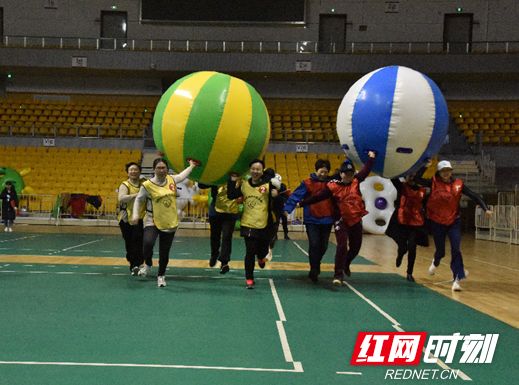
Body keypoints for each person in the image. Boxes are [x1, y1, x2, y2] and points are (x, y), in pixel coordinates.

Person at [299, 152, 376, 287]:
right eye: (345, 173)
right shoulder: (333, 187)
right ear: (340, 174)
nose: (348, 176)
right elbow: (319, 196)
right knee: (341, 246)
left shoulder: (356, 182)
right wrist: (303, 202)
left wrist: (372, 158)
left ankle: (346, 263)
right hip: (341, 220)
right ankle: (338, 275)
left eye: (351, 173)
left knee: (356, 248)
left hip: (356, 219)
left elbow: (366, 170)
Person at [414, 160, 493, 291]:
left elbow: (474, 196)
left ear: (451, 171)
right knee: (441, 251)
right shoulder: (433, 182)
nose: (446, 173)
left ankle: (457, 279)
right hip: (437, 222)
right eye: (443, 171)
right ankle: (436, 261)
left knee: (456, 250)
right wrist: (425, 166)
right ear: (439, 173)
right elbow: (417, 179)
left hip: (454, 222)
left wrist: (486, 208)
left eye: (448, 170)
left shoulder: (458, 184)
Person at [131, 158, 197, 287]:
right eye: (159, 168)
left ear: (167, 169)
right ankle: (148, 265)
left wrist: (191, 166)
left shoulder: (172, 179)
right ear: (154, 170)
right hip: (152, 219)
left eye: (163, 168)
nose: (161, 170)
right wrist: (135, 215)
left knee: (164, 251)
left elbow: (182, 176)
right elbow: (138, 200)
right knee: (148, 243)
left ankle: (161, 276)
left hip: (169, 221)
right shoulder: (147, 185)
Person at [227, 159, 279, 289]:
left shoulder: (268, 185)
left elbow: (280, 196)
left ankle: (261, 257)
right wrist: (232, 181)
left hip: (264, 224)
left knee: (261, 250)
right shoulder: (244, 184)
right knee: (250, 252)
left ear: (262, 171)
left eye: (258, 169)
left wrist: (276, 195)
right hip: (248, 223)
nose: (255, 171)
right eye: (253, 169)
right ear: (250, 170)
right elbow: (231, 195)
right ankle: (249, 278)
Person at [283, 159, 334, 282]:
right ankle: (314, 268)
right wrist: (287, 209)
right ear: (316, 171)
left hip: (327, 220)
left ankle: (316, 263)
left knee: (324, 246)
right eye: (321, 172)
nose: (323, 174)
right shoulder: (307, 183)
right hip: (312, 220)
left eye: (326, 172)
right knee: (314, 244)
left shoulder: (332, 184)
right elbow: (296, 196)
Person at [385, 173, 429, 283]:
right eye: (409, 176)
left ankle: (409, 272)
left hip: (415, 222)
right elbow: (392, 176)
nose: (412, 177)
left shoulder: (422, 191)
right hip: (401, 220)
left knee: (412, 246)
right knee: (403, 246)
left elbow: (425, 205)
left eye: (414, 176)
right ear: (406, 177)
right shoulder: (402, 187)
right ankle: (400, 253)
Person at [198, 182, 239, 274]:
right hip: (215, 211)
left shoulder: (237, 174)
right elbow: (201, 185)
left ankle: (224, 262)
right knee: (214, 236)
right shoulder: (217, 173)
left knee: (227, 237)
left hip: (230, 212)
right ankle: (214, 253)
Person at [117, 162, 146, 275]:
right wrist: (138, 195)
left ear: (139, 171)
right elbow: (122, 198)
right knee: (129, 242)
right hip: (126, 219)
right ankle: (133, 264)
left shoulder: (144, 183)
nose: (133, 171)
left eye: (135, 169)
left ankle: (137, 263)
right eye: (131, 170)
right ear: (128, 172)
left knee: (139, 241)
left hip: (140, 217)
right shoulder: (125, 185)